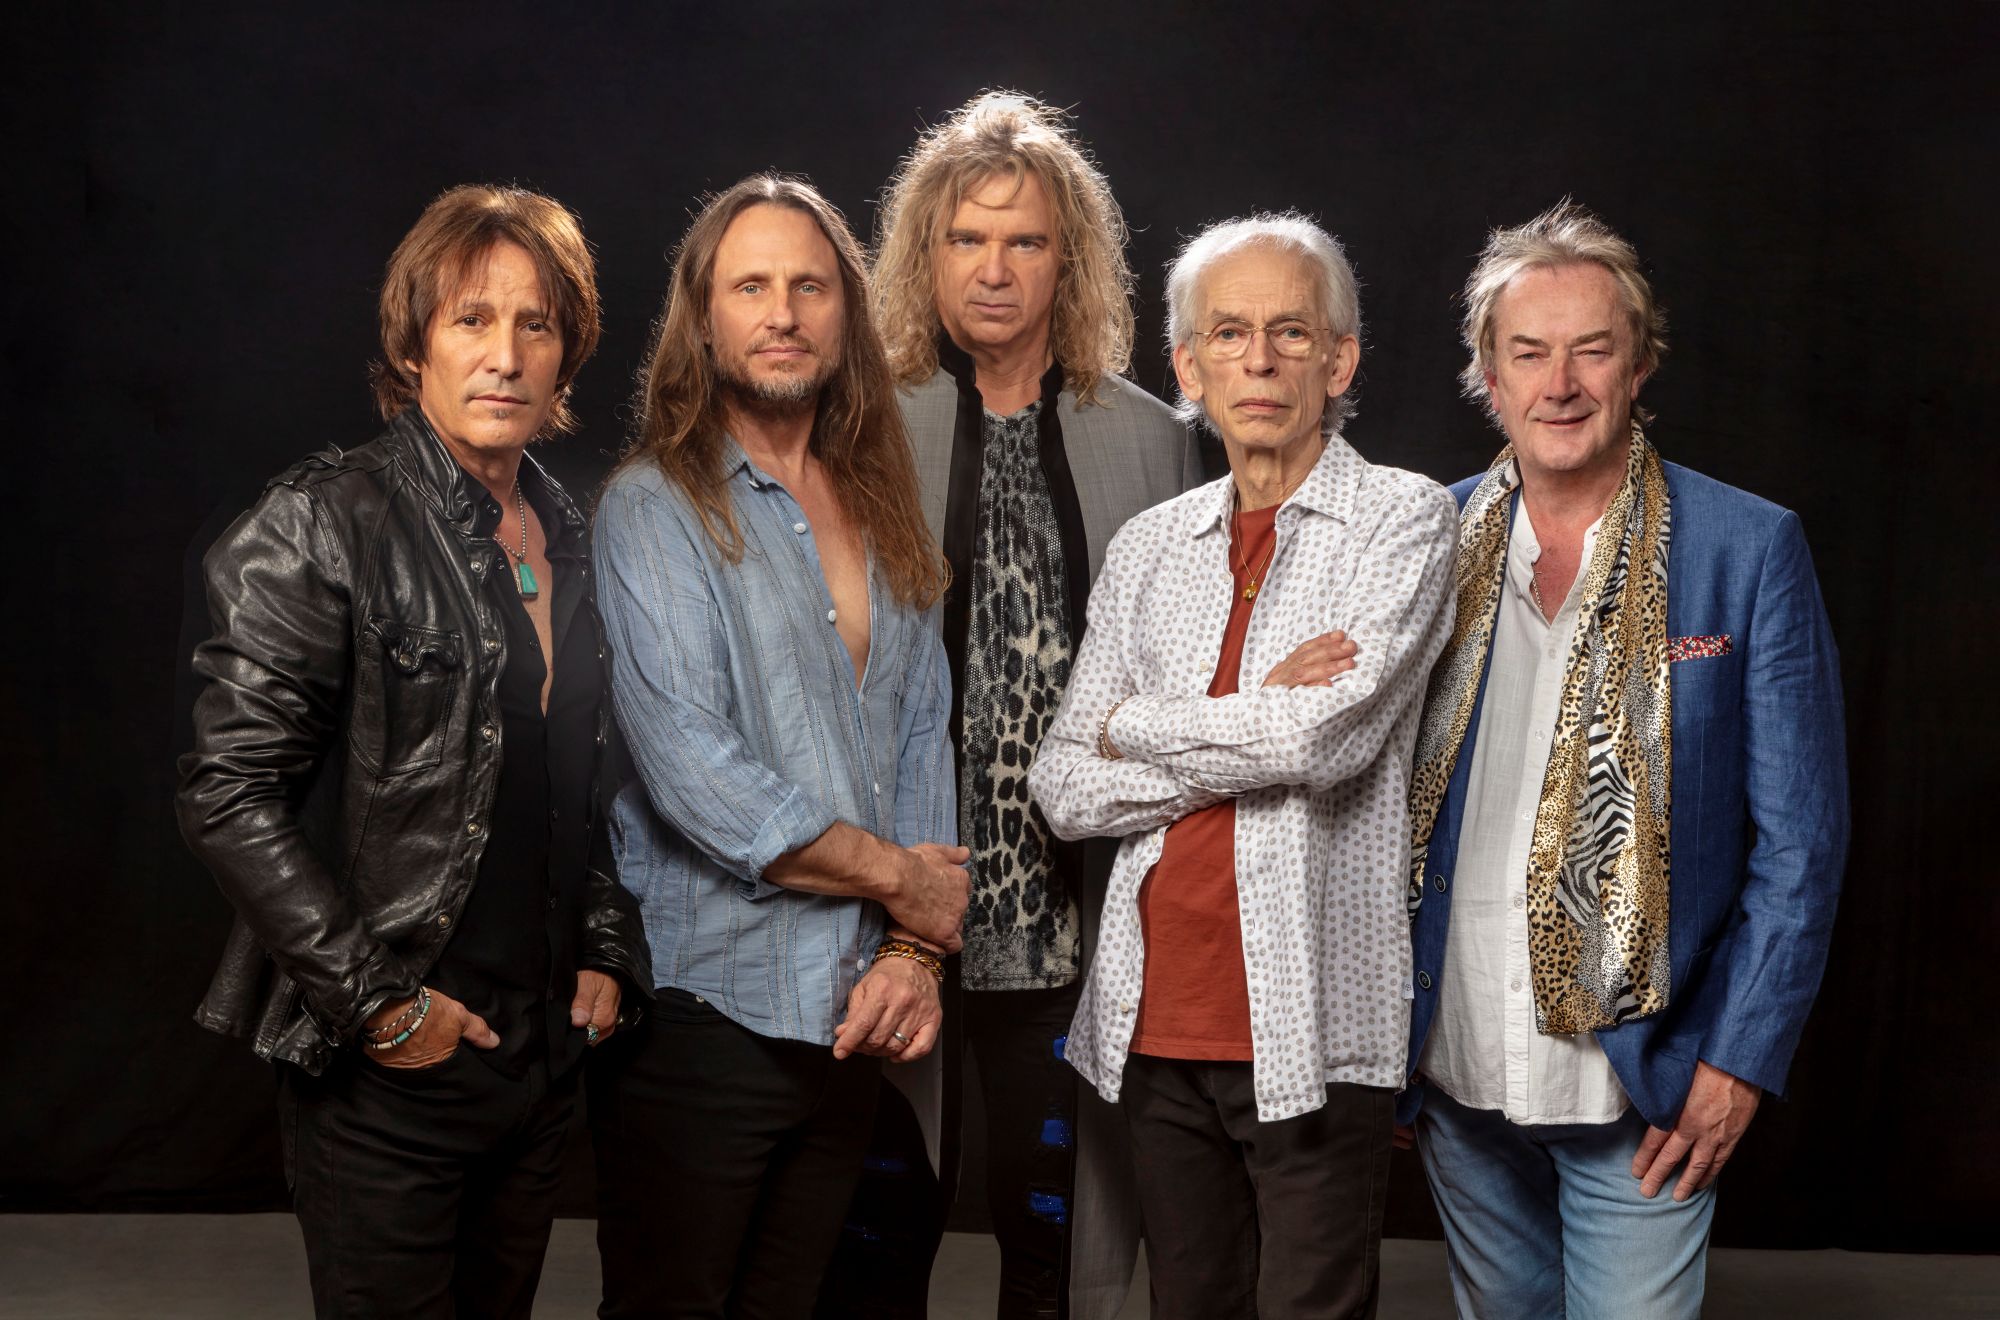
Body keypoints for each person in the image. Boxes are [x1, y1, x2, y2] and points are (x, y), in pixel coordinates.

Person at [177, 184, 650, 1319]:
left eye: (534, 324)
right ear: (415, 345)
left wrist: (600, 944)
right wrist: (377, 1004)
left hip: (533, 1062)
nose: (504, 355)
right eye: (470, 321)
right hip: (389, 1066)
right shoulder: (324, 521)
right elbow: (226, 793)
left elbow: (578, 779)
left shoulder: (576, 534)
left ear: (566, 352)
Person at [1401, 200, 1849, 1318]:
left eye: (1590, 349)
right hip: (1454, 1072)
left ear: (1638, 365)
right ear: (1487, 377)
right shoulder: (1418, 543)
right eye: (1528, 353)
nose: (1559, 383)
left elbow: (1801, 844)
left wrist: (1738, 1060)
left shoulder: (1746, 551)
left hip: (1639, 1087)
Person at [1029, 214, 1457, 1320]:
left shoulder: (1400, 519)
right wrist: (1249, 714)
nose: (1257, 361)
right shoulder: (1146, 548)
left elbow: (1325, 742)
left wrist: (1138, 722)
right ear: (1186, 364)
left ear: (1338, 358)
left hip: (1316, 1019)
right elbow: (1063, 785)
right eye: (1227, 333)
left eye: (1287, 332)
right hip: (1151, 1019)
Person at [827, 90, 1203, 1320]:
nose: (993, 270)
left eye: (1024, 241)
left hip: (1075, 916)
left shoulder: (1149, 440)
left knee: (1062, 1231)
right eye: (965, 240)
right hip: (898, 905)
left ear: (1069, 259)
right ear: (920, 256)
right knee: (880, 1231)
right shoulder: (857, 431)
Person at [587, 173, 971, 1319]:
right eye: (749, 285)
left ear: (845, 315)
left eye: (809, 285)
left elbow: (921, 737)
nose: (782, 311)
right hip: (704, 1021)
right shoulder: (654, 506)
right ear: (702, 320)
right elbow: (696, 772)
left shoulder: (881, 505)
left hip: (847, 1018)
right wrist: (910, 884)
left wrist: (914, 953)